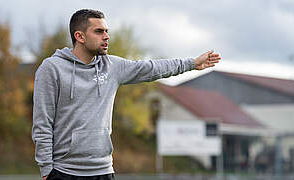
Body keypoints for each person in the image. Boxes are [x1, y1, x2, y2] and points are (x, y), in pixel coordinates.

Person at [32, 9, 221, 180]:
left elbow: (152, 68)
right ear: (79, 36)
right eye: (99, 32)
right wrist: (47, 169)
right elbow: (43, 123)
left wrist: (192, 63)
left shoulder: (112, 66)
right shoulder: (52, 69)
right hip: (65, 172)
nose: (106, 37)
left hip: (103, 171)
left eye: (107, 31)